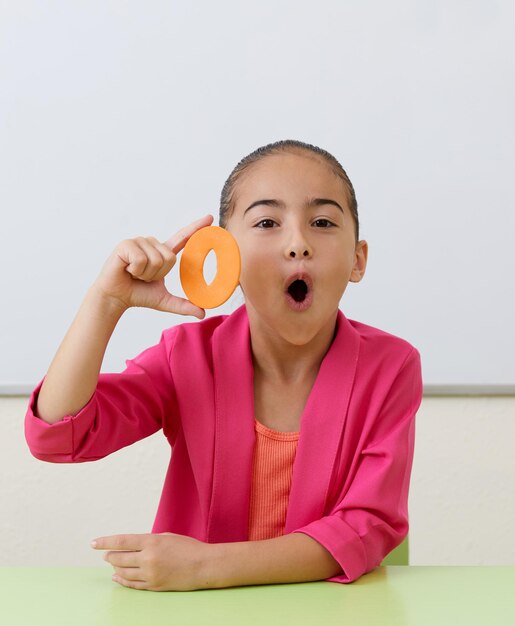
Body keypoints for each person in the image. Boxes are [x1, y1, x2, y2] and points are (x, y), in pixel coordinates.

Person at [24, 139, 423, 592]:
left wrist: (204, 566)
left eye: (323, 222)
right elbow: (57, 434)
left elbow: (367, 527)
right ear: (224, 257)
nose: (297, 244)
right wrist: (106, 302)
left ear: (357, 259)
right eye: (268, 222)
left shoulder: (391, 366)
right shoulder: (186, 357)